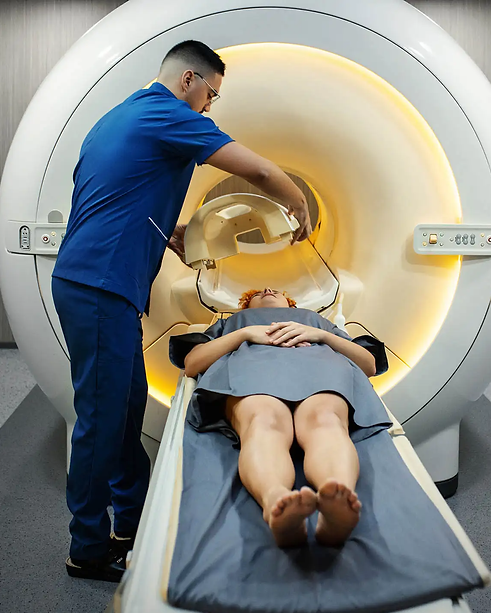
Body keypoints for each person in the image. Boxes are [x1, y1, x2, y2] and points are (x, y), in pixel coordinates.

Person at [50, 41, 312, 582]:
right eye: (211, 95)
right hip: (100, 286)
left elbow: (109, 197)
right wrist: (299, 202)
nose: (210, 107)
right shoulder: (169, 113)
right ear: (189, 79)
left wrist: (165, 233)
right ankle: (87, 549)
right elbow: (259, 171)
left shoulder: (121, 114)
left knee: (124, 410)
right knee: (102, 421)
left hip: (96, 280)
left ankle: (132, 524)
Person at [170, 288, 391, 548]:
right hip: (252, 367)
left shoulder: (314, 319)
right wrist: (245, 333)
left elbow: (368, 364)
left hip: (319, 366)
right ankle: (275, 501)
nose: (267, 289)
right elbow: (193, 364)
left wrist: (320, 334)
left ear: (292, 306)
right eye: (255, 293)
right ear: (245, 309)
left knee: (325, 420)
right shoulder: (231, 323)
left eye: (277, 290)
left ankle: (338, 499)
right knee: (263, 421)